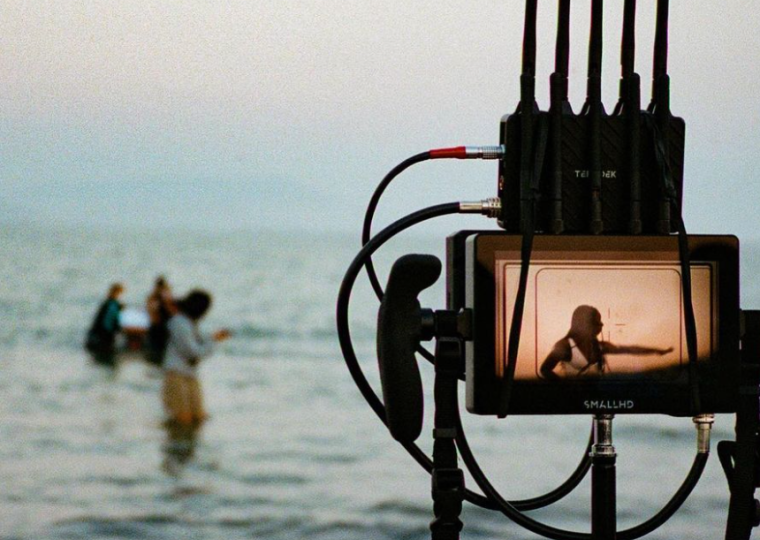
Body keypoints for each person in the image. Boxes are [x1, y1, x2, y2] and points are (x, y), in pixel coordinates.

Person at [540, 305, 673, 379]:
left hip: (597, 396)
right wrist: (567, 389)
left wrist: (657, 351)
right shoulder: (564, 345)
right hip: (576, 400)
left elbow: (629, 349)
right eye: (596, 321)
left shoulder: (599, 346)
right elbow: (545, 370)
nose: (601, 324)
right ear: (581, 323)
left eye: (600, 321)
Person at [162, 289, 230, 426]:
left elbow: (193, 342)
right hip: (176, 374)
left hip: (188, 373)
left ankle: (189, 445)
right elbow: (193, 352)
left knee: (199, 417)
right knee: (183, 419)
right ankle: (178, 445)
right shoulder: (180, 323)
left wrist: (212, 337)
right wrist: (213, 342)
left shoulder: (187, 322)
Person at [85, 283, 125, 366]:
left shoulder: (107, 303)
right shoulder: (112, 305)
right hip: (103, 337)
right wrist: (120, 330)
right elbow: (108, 323)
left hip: (97, 335)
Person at [145, 276, 176, 366]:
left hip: (159, 327)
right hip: (160, 327)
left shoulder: (155, 297)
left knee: (157, 351)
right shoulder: (157, 298)